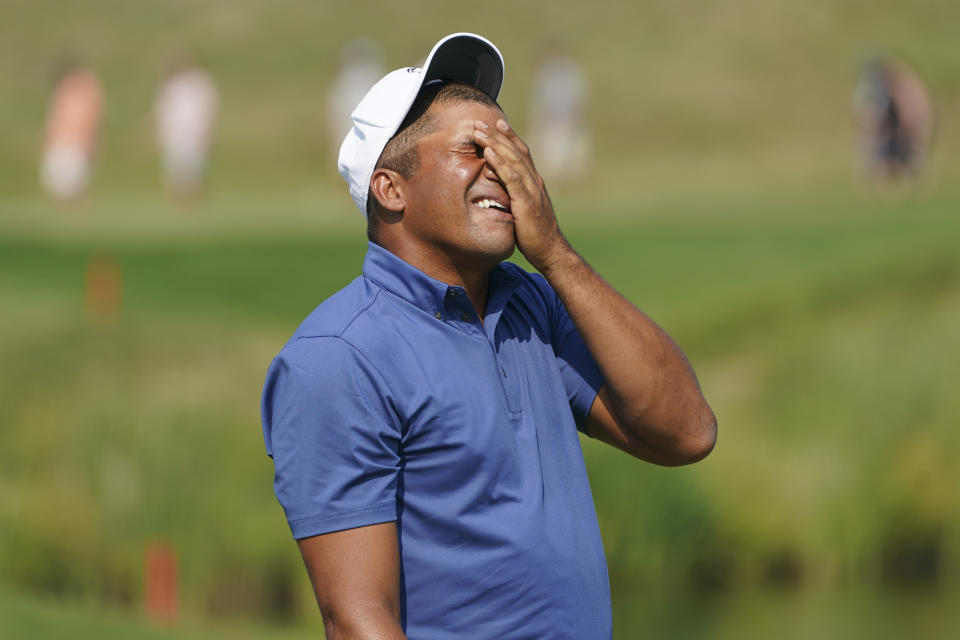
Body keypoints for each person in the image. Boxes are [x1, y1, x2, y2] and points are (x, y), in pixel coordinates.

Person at [261, 33, 716, 639]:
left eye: (510, 148)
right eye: (475, 148)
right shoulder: (339, 358)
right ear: (390, 189)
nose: (504, 169)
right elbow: (357, 619)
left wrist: (555, 254)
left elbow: (686, 432)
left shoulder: (534, 305)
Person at [154, 60, 219, 198]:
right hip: (174, 134)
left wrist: (207, 130)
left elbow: (208, 108)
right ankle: (177, 197)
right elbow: (162, 111)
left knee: (194, 166)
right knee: (174, 166)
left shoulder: (200, 83)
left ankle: (193, 195)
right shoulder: (168, 86)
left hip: (193, 132)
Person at [40, 62, 103, 203]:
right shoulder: (62, 93)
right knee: (58, 185)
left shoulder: (88, 94)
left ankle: (73, 213)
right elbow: (55, 119)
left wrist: (91, 142)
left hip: (77, 145)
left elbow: (90, 122)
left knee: (74, 187)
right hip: (61, 143)